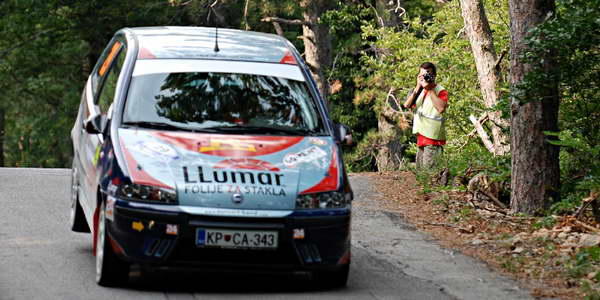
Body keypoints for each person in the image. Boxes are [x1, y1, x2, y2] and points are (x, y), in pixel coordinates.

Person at [403, 62, 448, 169]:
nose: (425, 78)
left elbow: (441, 108)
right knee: (421, 174)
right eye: (422, 75)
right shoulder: (419, 91)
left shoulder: (440, 90)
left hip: (433, 139)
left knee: (431, 173)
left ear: (434, 76)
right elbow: (407, 105)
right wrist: (418, 86)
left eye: (428, 75)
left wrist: (430, 90)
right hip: (421, 137)